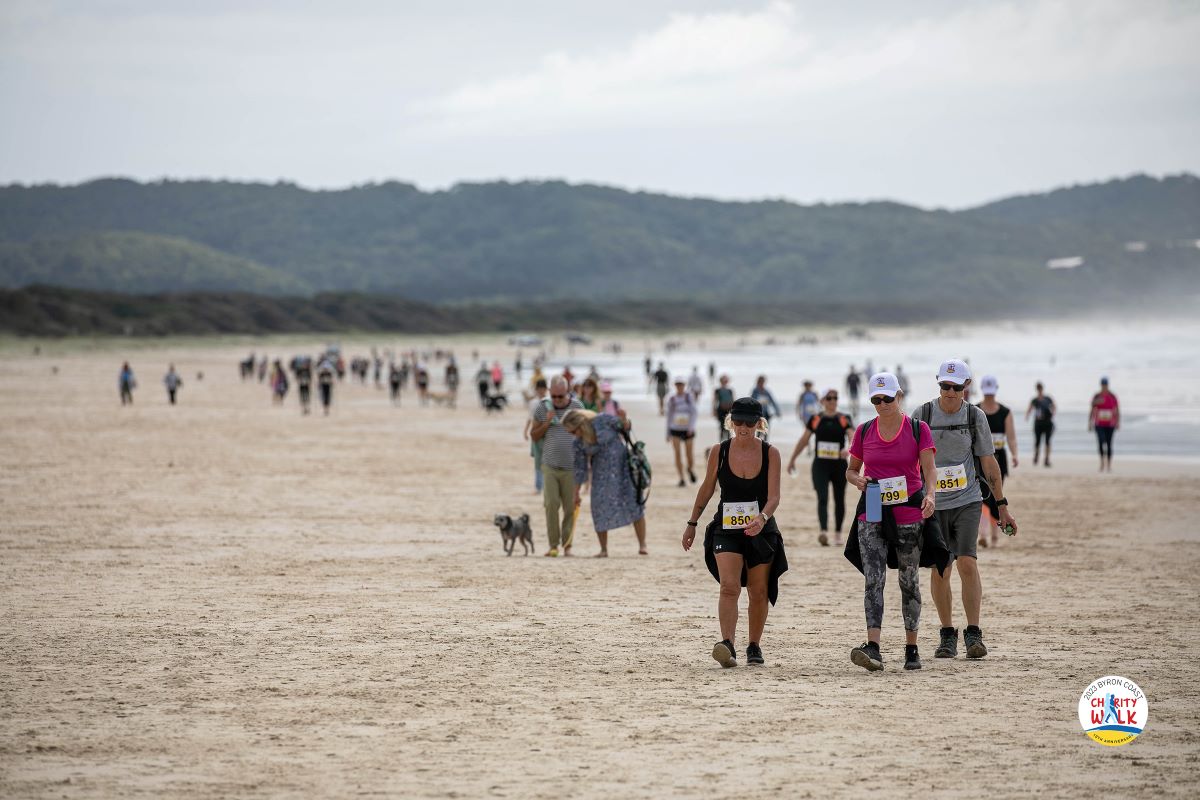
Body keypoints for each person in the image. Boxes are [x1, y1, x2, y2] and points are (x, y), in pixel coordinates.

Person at [918, 360, 1018, 661]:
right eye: (944, 386)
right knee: (940, 567)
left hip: (968, 501)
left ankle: (973, 633)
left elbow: (988, 462)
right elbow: (908, 459)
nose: (950, 392)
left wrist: (1001, 506)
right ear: (938, 385)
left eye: (956, 387)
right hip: (933, 504)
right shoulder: (922, 416)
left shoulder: (975, 417)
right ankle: (947, 635)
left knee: (967, 563)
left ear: (966, 387)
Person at [843, 372, 944, 671]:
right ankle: (873, 647)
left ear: (899, 396)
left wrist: (931, 496)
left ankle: (911, 648)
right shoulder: (863, 431)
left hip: (909, 514)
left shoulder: (917, 429)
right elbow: (850, 470)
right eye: (876, 399)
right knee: (873, 579)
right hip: (872, 509)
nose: (882, 403)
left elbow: (930, 470)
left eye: (887, 398)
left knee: (908, 580)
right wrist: (858, 480)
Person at [682, 398, 785, 668]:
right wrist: (692, 522)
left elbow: (774, 497)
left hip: (760, 529)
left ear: (759, 424)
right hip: (727, 528)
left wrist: (762, 518)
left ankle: (754, 645)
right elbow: (707, 488)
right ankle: (727, 643)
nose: (743, 427)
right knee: (728, 587)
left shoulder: (771, 453)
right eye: (738, 421)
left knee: (758, 590)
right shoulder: (720, 450)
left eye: (749, 422)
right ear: (731, 422)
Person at [563, 410, 648, 557]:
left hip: (624, 470)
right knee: (598, 508)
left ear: (580, 424)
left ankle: (643, 544)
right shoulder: (578, 443)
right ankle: (604, 549)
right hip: (600, 476)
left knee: (634, 504)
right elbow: (579, 469)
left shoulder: (603, 420)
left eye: (572, 431)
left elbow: (625, 428)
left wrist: (624, 419)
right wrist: (575, 493)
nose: (572, 435)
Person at [787, 388, 853, 546]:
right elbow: (804, 440)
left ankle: (837, 534)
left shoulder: (844, 418)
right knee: (822, 497)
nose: (832, 401)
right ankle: (823, 531)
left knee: (839, 499)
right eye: (829, 398)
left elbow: (853, 436)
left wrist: (849, 449)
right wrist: (792, 459)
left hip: (839, 465)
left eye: (835, 398)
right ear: (822, 401)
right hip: (820, 465)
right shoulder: (816, 419)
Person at [531, 377, 584, 556]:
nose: (556, 400)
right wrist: (547, 422)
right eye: (553, 396)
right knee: (551, 504)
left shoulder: (577, 406)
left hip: (572, 466)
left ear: (567, 393)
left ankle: (567, 545)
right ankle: (553, 545)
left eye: (560, 396)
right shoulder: (543, 407)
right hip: (550, 465)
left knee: (570, 507)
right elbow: (534, 435)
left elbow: (585, 433)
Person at [977, 375, 1018, 547]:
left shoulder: (1005, 412)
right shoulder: (975, 411)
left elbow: (1011, 437)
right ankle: (983, 535)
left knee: (996, 498)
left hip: (999, 460)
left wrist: (1015, 454)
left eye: (991, 393)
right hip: (979, 461)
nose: (989, 396)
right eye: (987, 394)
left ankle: (994, 535)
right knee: (980, 499)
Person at [666, 377, 698, 487]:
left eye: (681, 384)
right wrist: (667, 432)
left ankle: (689, 469)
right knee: (677, 454)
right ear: (675, 386)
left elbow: (694, 413)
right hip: (675, 429)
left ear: (684, 385)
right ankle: (681, 478)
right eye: (677, 384)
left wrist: (691, 427)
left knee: (689, 454)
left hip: (688, 430)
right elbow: (669, 415)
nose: (679, 386)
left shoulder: (689, 397)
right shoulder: (672, 398)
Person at [1089, 377, 1120, 472]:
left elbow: (1117, 410)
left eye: (1105, 384)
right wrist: (1090, 422)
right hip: (1099, 424)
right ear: (1101, 385)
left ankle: (1109, 465)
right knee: (1101, 442)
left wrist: (1118, 421)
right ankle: (1102, 463)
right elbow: (1092, 407)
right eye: (1103, 384)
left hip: (1110, 424)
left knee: (1109, 444)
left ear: (1108, 385)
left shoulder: (1112, 396)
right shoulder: (1097, 396)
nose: (1104, 386)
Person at [524, 378, 549, 493]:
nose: (541, 391)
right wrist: (525, 431)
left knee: (548, 460)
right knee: (538, 460)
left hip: (548, 434)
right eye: (539, 389)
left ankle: (546, 485)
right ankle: (539, 486)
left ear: (546, 389)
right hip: (536, 434)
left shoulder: (550, 402)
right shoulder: (533, 403)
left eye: (543, 389)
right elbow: (530, 418)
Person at [1025, 382, 1056, 467]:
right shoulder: (1034, 400)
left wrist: (1053, 412)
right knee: (1037, 442)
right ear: (1037, 389)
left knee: (1047, 442)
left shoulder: (1048, 398)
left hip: (1047, 423)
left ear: (1042, 388)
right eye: (1038, 388)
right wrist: (1027, 415)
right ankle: (1036, 457)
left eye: (1040, 388)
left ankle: (1046, 459)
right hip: (1038, 423)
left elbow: (1054, 406)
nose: (1039, 390)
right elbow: (1029, 408)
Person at [750, 376, 780, 441]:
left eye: (762, 382)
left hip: (766, 413)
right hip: (757, 414)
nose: (761, 383)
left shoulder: (766, 391)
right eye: (760, 382)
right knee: (758, 430)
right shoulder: (755, 391)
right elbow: (751, 401)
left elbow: (772, 401)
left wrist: (777, 411)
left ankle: (766, 445)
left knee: (766, 430)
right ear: (757, 382)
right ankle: (757, 444)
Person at [712, 375, 735, 441]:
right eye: (723, 380)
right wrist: (714, 410)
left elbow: (733, 401)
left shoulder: (730, 390)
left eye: (726, 380)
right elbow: (715, 400)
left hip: (729, 411)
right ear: (721, 381)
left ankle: (728, 443)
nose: (724, 382)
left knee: (729, 428)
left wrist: (734, 411)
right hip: (721, 410)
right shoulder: (717, 390)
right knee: (722, 427)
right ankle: (721, 443)